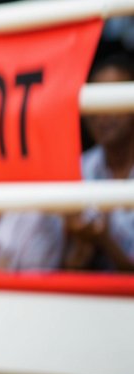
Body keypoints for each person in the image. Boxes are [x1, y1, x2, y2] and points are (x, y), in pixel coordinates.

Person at [64, 53, 134, 272]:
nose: (102, 114)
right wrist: (77, 245)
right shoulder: (78, 168)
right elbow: (67, 268)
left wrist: (105, 242)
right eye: (97, 101)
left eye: (113, 99)